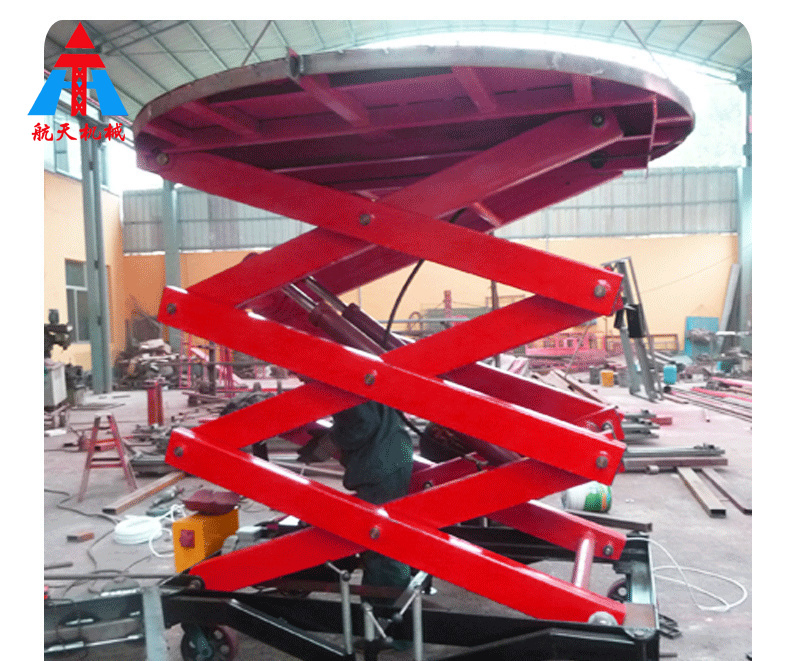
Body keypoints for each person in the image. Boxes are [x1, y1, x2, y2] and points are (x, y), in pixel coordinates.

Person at [301, 400, 414, 596]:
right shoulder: (358, 383)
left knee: (379, 538)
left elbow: (362, 425)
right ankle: (391, 599)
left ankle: (384, 605)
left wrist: (329, 442)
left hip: (380, 464)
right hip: (391, 456)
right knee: (386, 536)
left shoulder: (343, 383)